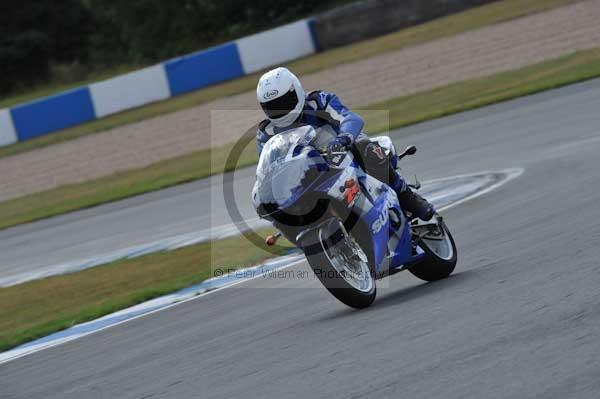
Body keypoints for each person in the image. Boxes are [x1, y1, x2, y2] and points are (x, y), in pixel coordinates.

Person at [256, 67, 434, 227]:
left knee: (366, 146)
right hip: (309, 174)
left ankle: (406, 196)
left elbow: (351, 118)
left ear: (296, 92)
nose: (280, 111)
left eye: (284, 102)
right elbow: (270, 167)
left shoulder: (319, 101)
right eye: (272, 107)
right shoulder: (266, 133)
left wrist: (343, 138)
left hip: (343, 152)